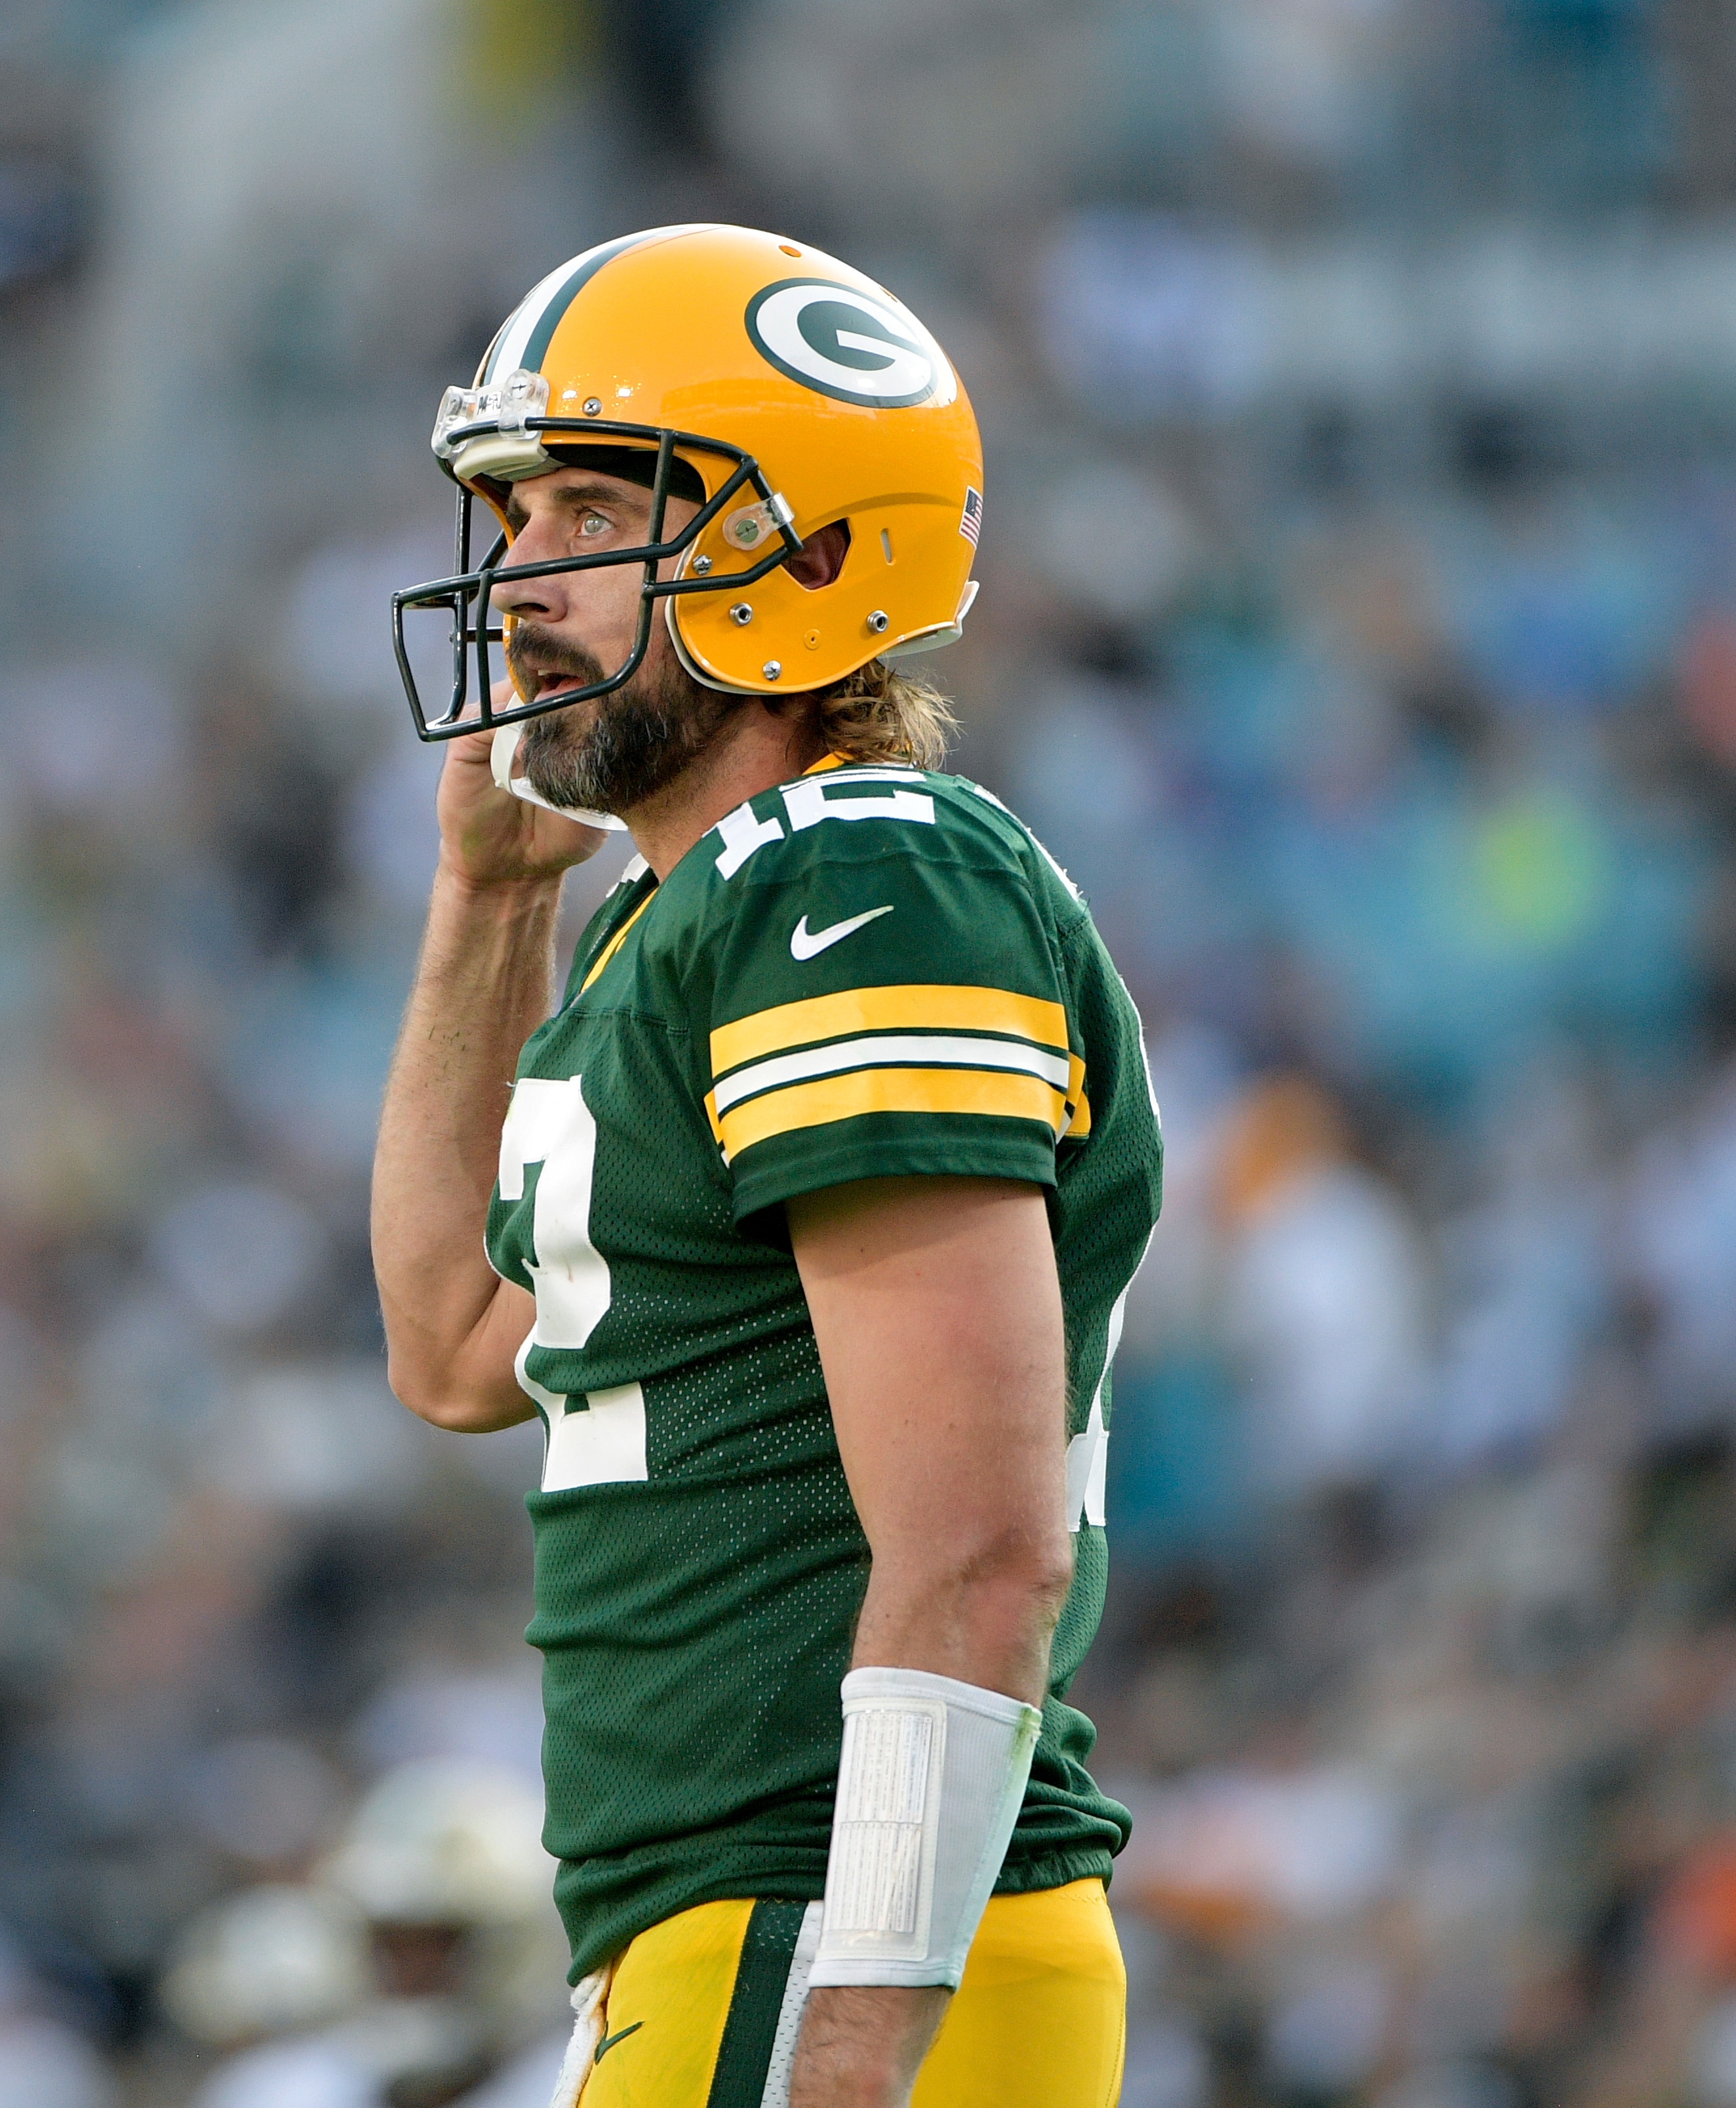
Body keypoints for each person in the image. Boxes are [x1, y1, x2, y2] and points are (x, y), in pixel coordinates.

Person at [370, 224, 1162, 2108]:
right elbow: (450, 1346)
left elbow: (979, 1546)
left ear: (802, 546)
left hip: (825, 1930)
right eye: (511, 516)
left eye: (586, 512)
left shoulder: (861, 872)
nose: (514, 577)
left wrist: (859, 2024)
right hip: (724, 1931)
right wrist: (484, 901)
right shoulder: (677, 923)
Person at [182, 1759, 567, 2108]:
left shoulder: (574, 2087)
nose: (410, 1972)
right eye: (392, 1944)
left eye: (435, 1944)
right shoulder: (281, 2091)